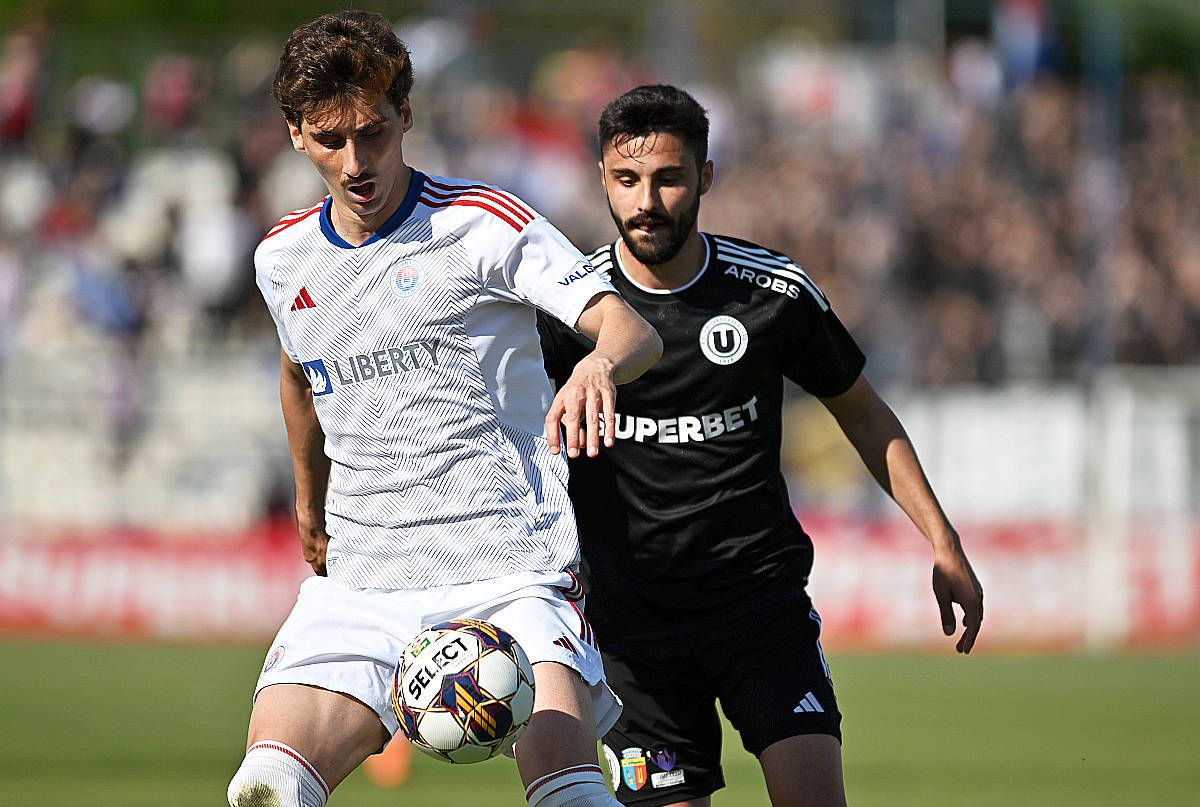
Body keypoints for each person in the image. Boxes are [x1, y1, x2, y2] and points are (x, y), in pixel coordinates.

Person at [229, 13, 662, 807]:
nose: (356, 161)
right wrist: (307, 495)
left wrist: (597, 364)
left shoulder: (481, 223)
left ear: (405, 115)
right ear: (294, 134)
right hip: (362, 580)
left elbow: (631, 329)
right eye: (330, 139)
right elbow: (298, 372)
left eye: (373, 133)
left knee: (570, 794)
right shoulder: (281, 258)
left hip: (509, 568)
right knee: (266, 786)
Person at [537, 85, 984, 807]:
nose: (646, 201)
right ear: (602, 180)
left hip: (760, 610)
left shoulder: (771, 293)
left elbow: (865, 414)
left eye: (669, 178)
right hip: (632, 637)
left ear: (706, 177)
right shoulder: (564, 309)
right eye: (627, 179)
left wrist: (942, 539)